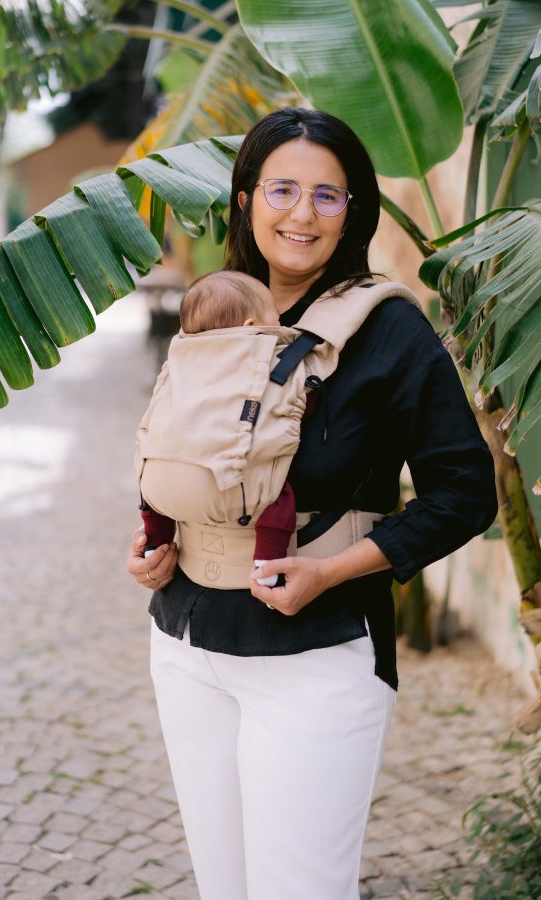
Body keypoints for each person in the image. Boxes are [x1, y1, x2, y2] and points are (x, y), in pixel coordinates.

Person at [127, 108, 497, 900]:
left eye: (328, 196)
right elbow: (184, 452)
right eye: (283, 189)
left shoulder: (389, 331)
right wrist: (155, 540)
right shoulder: (214, 309)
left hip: (316, 656)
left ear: (353, 212)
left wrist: (332, 573)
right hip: (187, 645)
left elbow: (466, 493)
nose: (303, 212)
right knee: (224, 888)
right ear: (245, 200)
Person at [137, 269, 298, 587]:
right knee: (277, 490)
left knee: (156, 459)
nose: (280, 323)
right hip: (227, 486)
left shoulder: (180, 361)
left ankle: (155, 543)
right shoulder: (264, 358)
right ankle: (267, 564)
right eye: (276, 317)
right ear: (251, 327)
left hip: (157, 487)